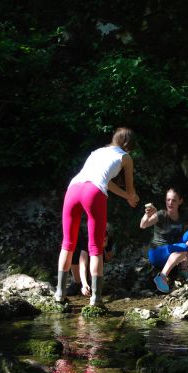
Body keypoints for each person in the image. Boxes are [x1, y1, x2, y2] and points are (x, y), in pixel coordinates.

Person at [56, 127, 139, 305]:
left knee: (68, 244)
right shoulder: (126, 157)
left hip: (73, 188)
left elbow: (106, 182)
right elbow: (129, 188)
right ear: (128, 146)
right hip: (93, 193)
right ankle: (96, 297)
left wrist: (126, 196)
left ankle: (59, 293)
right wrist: (131, 197)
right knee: (95, 247)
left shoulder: (97, 152)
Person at [140, 187, 188, 293]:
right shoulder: (160, 214)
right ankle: (162, 276)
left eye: (174, 200)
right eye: (168, 200)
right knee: (183, 248)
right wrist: (147, 215)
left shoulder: (184, 215)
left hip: (175, 250)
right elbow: (143, 225)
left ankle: (183, 268)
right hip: (157, 253)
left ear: (180, 201)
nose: (170, 203)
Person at [67, 223, 115, 296]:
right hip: (78, 253)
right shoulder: (86, 240)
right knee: (75, 256)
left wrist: (102, 248)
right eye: (102, 238)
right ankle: (77, 283)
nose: (104, 240)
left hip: (97, 251)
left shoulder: (109, 239)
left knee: (97, 254)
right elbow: (83, 265)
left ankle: (92, 281)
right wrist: (84, 284)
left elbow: (108, 259)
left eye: (105, 239)